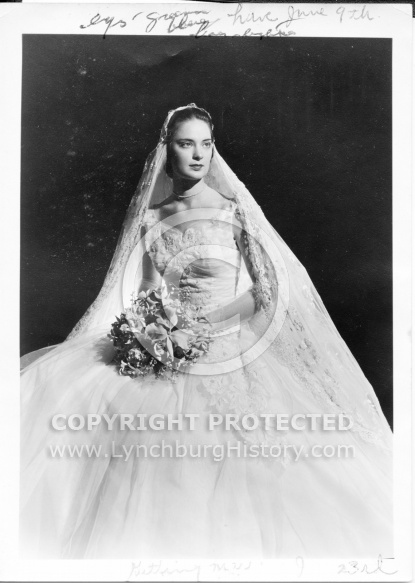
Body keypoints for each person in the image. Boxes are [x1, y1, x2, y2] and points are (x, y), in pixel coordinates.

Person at [20, 104, 393, 559]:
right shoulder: (153, 217)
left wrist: (199, 326)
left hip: (226, 340)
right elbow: (148, 287)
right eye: (186, 144)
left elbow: (265, 292)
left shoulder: (232, 212)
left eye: (206, 144)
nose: (198, 154)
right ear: (167, 150)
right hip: (170, 341)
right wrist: (151, 328)